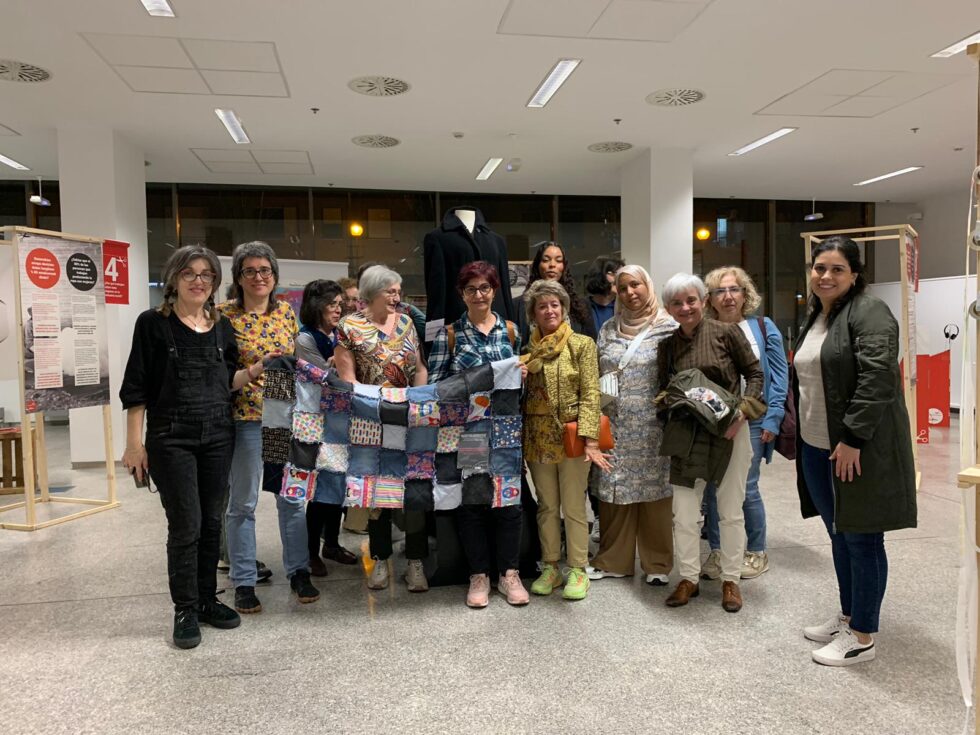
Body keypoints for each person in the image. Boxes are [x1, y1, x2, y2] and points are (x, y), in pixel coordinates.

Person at [121, 245, 267, 649]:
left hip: (219, 433)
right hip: (172, 437)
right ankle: (184, 609)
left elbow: (227, 380)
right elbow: (137, 388)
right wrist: (134, 444)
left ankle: (205, 600)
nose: (198, 280)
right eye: (189, 273)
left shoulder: (221, 326)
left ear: (215, 283)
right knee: (186, 524)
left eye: (206, 274)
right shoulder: (152, 324)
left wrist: (254, 370)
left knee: (211, 523)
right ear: (173, 279)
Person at [794, 236, 916, 666]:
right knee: (839, 534)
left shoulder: (870, 311)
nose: (825, 276)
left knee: (862, 538)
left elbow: (878, 377)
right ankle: (848, 615)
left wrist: (853, 439)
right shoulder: (820, 315)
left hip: (853, 448)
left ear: (855, 274)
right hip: (817, 445)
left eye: (836, 269)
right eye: (819, 268)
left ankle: (862, 635)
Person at [219, 241, 320, 615]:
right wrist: (256, 370)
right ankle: (243, 580)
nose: (259, 277)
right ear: (239, 278)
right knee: (242, 503)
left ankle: (298, 571)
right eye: (250, 271)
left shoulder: (286, 314)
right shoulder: (223, 316)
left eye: (265, 270)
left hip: (281, 418)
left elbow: (298, 365)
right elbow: (221, 376)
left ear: (274, 276)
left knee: (290, 497)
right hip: (244, 418)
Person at [658, 273, 765, 613]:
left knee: (730, 510)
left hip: (731, 430)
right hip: (687, 435)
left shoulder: (726, 332)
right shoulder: (668, 346)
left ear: (703, 300)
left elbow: (756, 374)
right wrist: (674, 401)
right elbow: (661, 390)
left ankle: (731, 580)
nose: (685, 307)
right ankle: (688, 577)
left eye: (691, 299)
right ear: (668, 308)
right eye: (677, 303)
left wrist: (743, 413)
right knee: (684, 512)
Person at [427, 261, 530, 608]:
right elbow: (436, 385)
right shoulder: (451, 334)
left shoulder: (512, 331)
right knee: (472, 503)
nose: (479, 295)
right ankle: (479, 575)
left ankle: (509, 573)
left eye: (484, 288)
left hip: (506, 432)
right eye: (471, 289)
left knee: (508, 503)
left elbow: (524, 379)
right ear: (462, 294)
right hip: (469, 432)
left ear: (494, 291)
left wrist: (522, 376)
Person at [334, 264, 430, 592]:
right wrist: (372, 406)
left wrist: (417, 401)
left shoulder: (405, 323)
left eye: (398, 291)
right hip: (370, 421)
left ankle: (415, 562)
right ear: (372, 292)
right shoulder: (349, 327)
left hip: (407, 419)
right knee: (378, 494)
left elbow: (419, 368)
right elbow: (347, 380)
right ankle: (381, 559)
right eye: (391, 291)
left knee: (413, 492)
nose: (397, 297)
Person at [587, 265, 677, 587]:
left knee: (655, 495)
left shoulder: (669, 327)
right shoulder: (609, 328)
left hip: (655, 428)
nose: (629, 293)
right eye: (622, 288)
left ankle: (657, 563)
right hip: (615, 425)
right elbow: (598, 372)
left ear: (648, 286)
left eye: (635, 285)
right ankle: (613, 560)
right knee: (614, 492)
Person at [521, 280, 608, 601]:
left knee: (573, 506)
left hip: (571, 437)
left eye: (555, 305)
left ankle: (578, 569)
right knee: (546, 507)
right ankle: (551, 567)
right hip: (537, 439)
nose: (549, 310)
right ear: (533, 313)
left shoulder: (582, 345)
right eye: (542, 306)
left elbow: (591, 395)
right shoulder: (526, 352)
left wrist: (591, 441)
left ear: (564, 308)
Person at [700, 266, 788, 581]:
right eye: (720, 291)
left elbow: (779, 377)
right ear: (710, 298)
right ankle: (718, 551)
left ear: (744, 294)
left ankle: (755, 551)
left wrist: (774, 418)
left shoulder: (763, 328)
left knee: (745, 486)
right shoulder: (704, 330)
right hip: (715, 421)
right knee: (713, 486)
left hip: (754, 418)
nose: (727, 297)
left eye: (734, 290)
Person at [294, 280, 359, 577]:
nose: (338, 309)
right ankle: (309, 552)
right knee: (320, 489)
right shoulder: (306, 339)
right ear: (315, 306)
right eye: (332, 304)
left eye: (339, 303)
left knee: (339, 484)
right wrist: (338, 364)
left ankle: (331, 544)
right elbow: (323, 378)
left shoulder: (339, 334)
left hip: (342, 418)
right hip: (316, 421)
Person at [582, 255, 623, 541]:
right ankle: (596, 515)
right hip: (588, 385)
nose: (616, 278)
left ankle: (611, 514)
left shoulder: (625, 307)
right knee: (588, 454)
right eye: (612, 272)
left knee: (611, 452)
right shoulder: (582, 307)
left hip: (619, 386)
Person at [516, 242, 596, 345]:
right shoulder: (519, 305)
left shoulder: (581, 305)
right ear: (537, 266)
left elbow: (591, 345)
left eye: (558, 260)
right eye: (546, 260)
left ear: (564, 267)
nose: (552, 265)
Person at [584, 257, 624, 336]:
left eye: (621, 275)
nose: (618, 279)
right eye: (613, 273)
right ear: (599, 275)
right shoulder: (580, 307)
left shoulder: (625, 307)